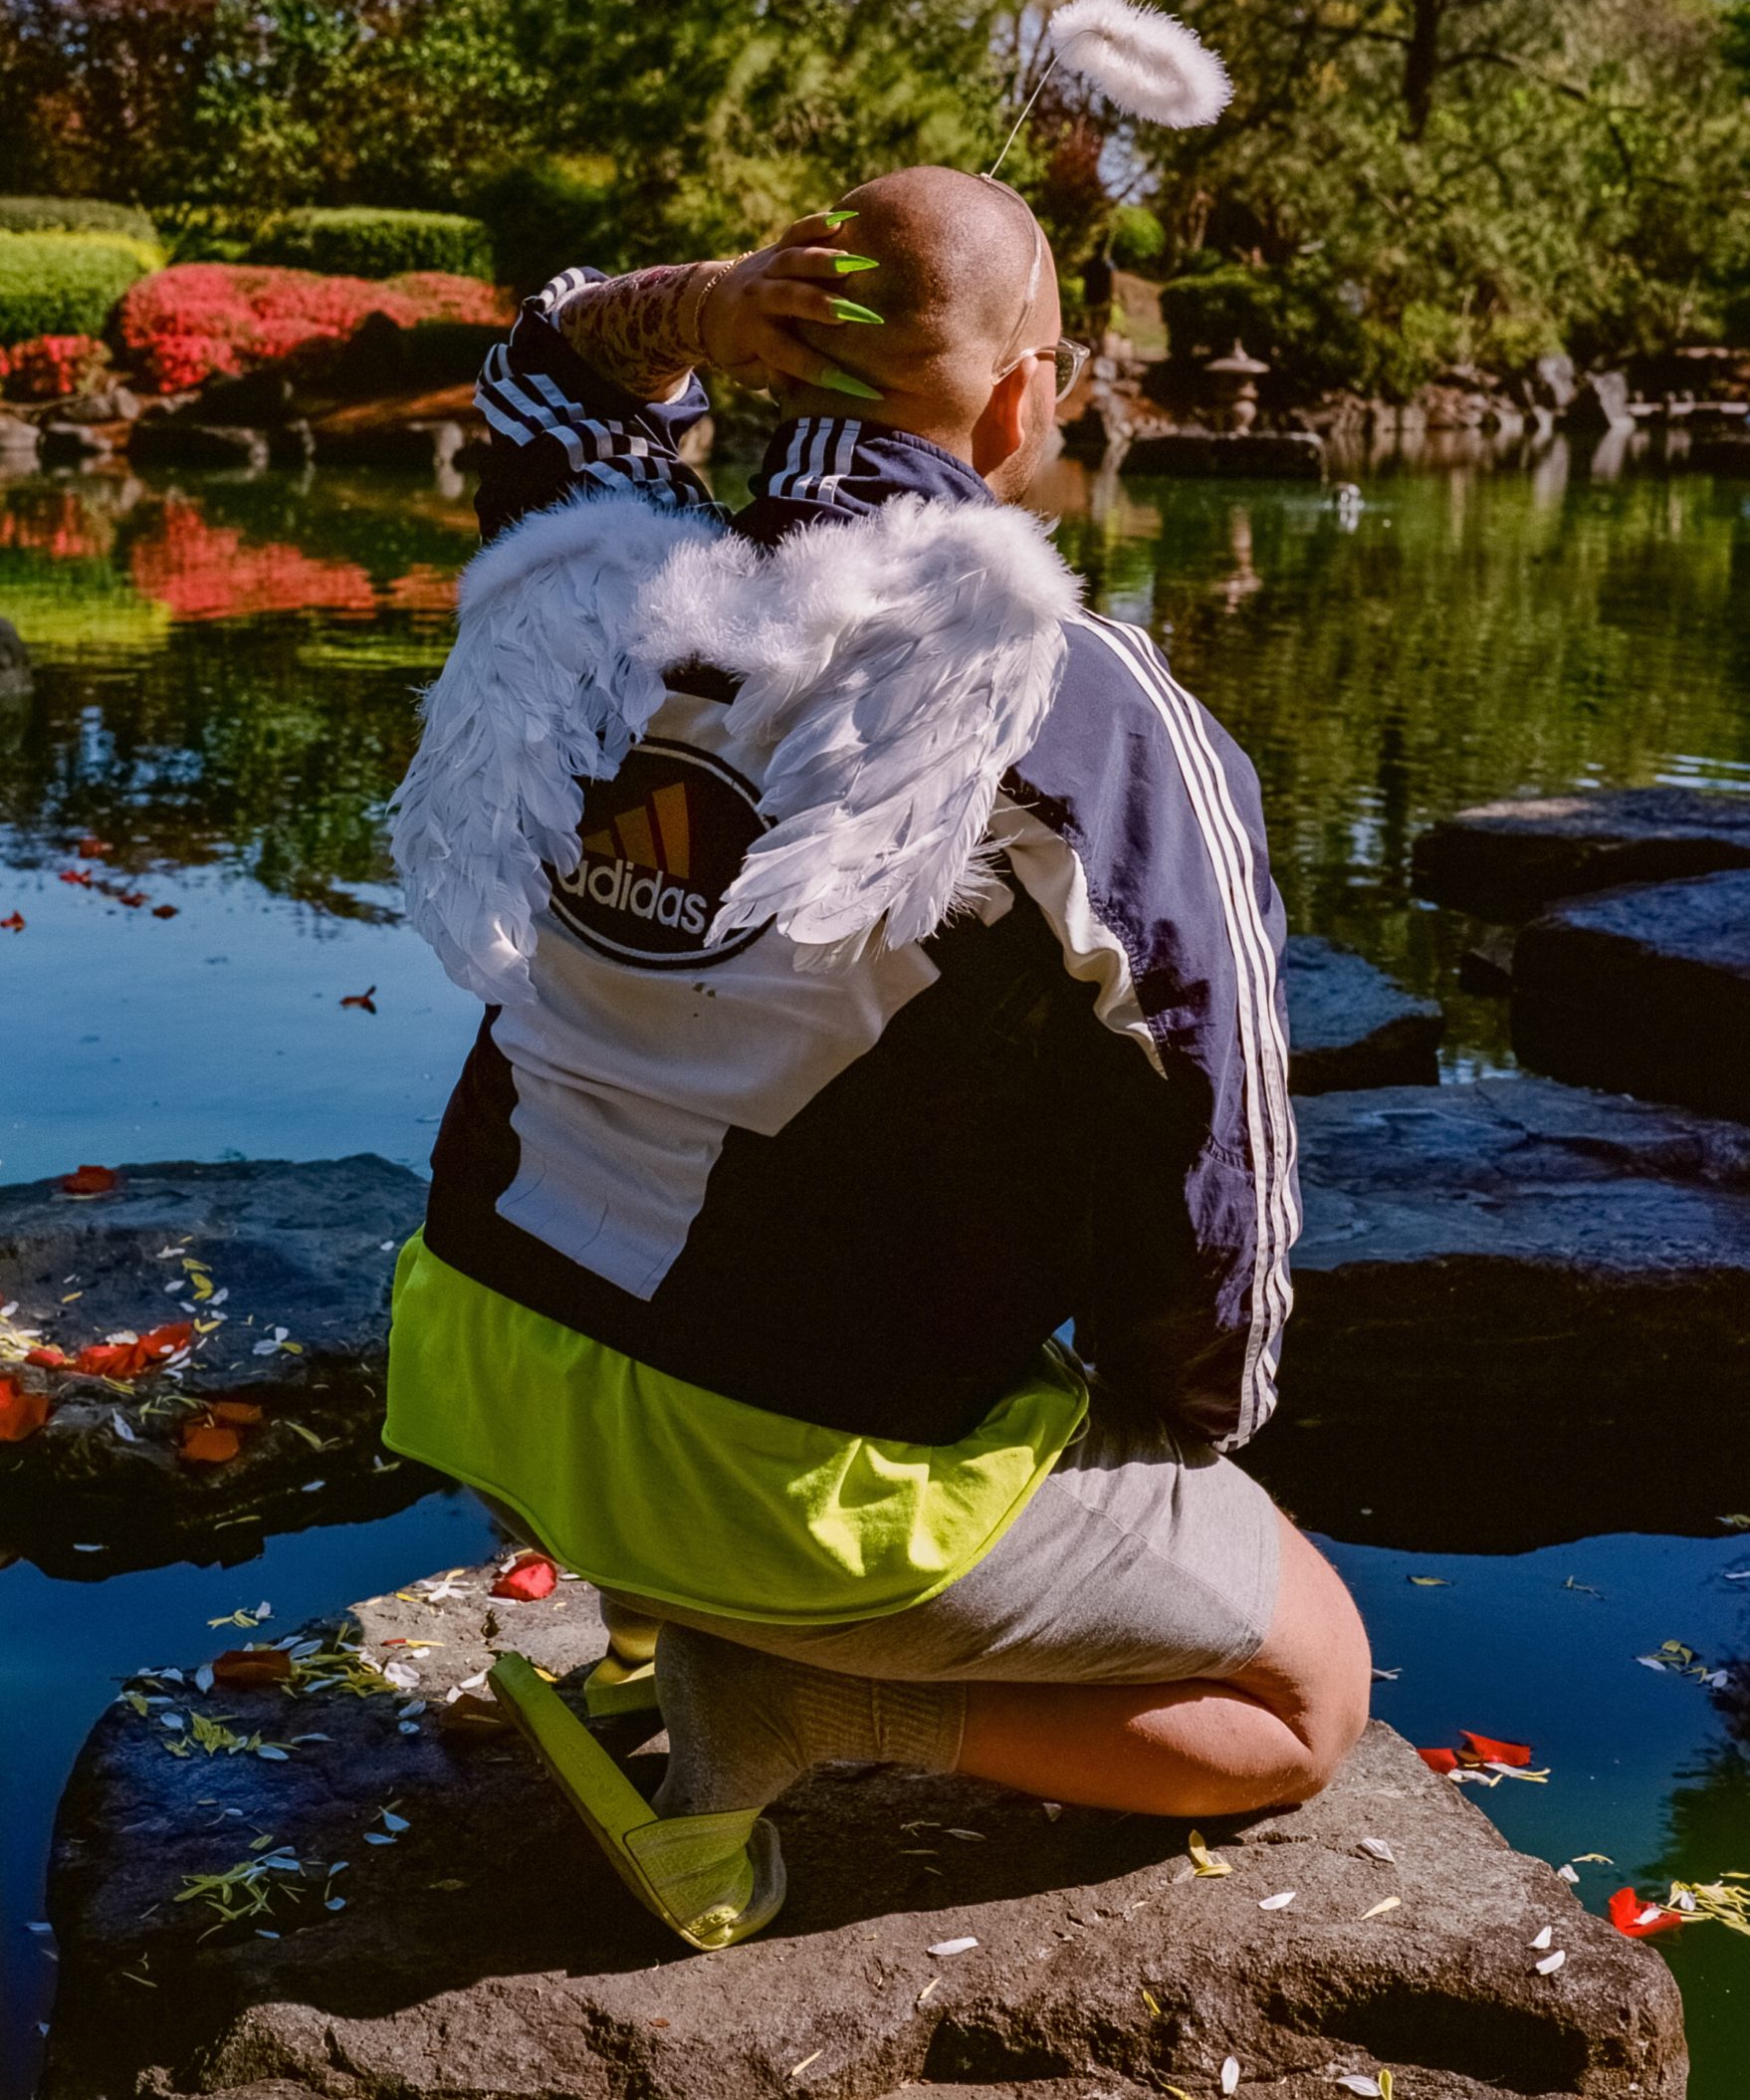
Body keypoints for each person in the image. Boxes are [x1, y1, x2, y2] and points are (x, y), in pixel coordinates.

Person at [385, 165, 1370, 1950]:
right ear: (1024, 397)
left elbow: (540, 372)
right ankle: (792, 1703)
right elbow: (1217, 1134)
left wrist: (693, 301)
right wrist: (1181, 1426)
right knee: (1308, 1703)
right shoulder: (1079, 707)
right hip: (762, 1473)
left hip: (476, 1368)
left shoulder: (602, 567)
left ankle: (636, 1617)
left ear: (773, 353)